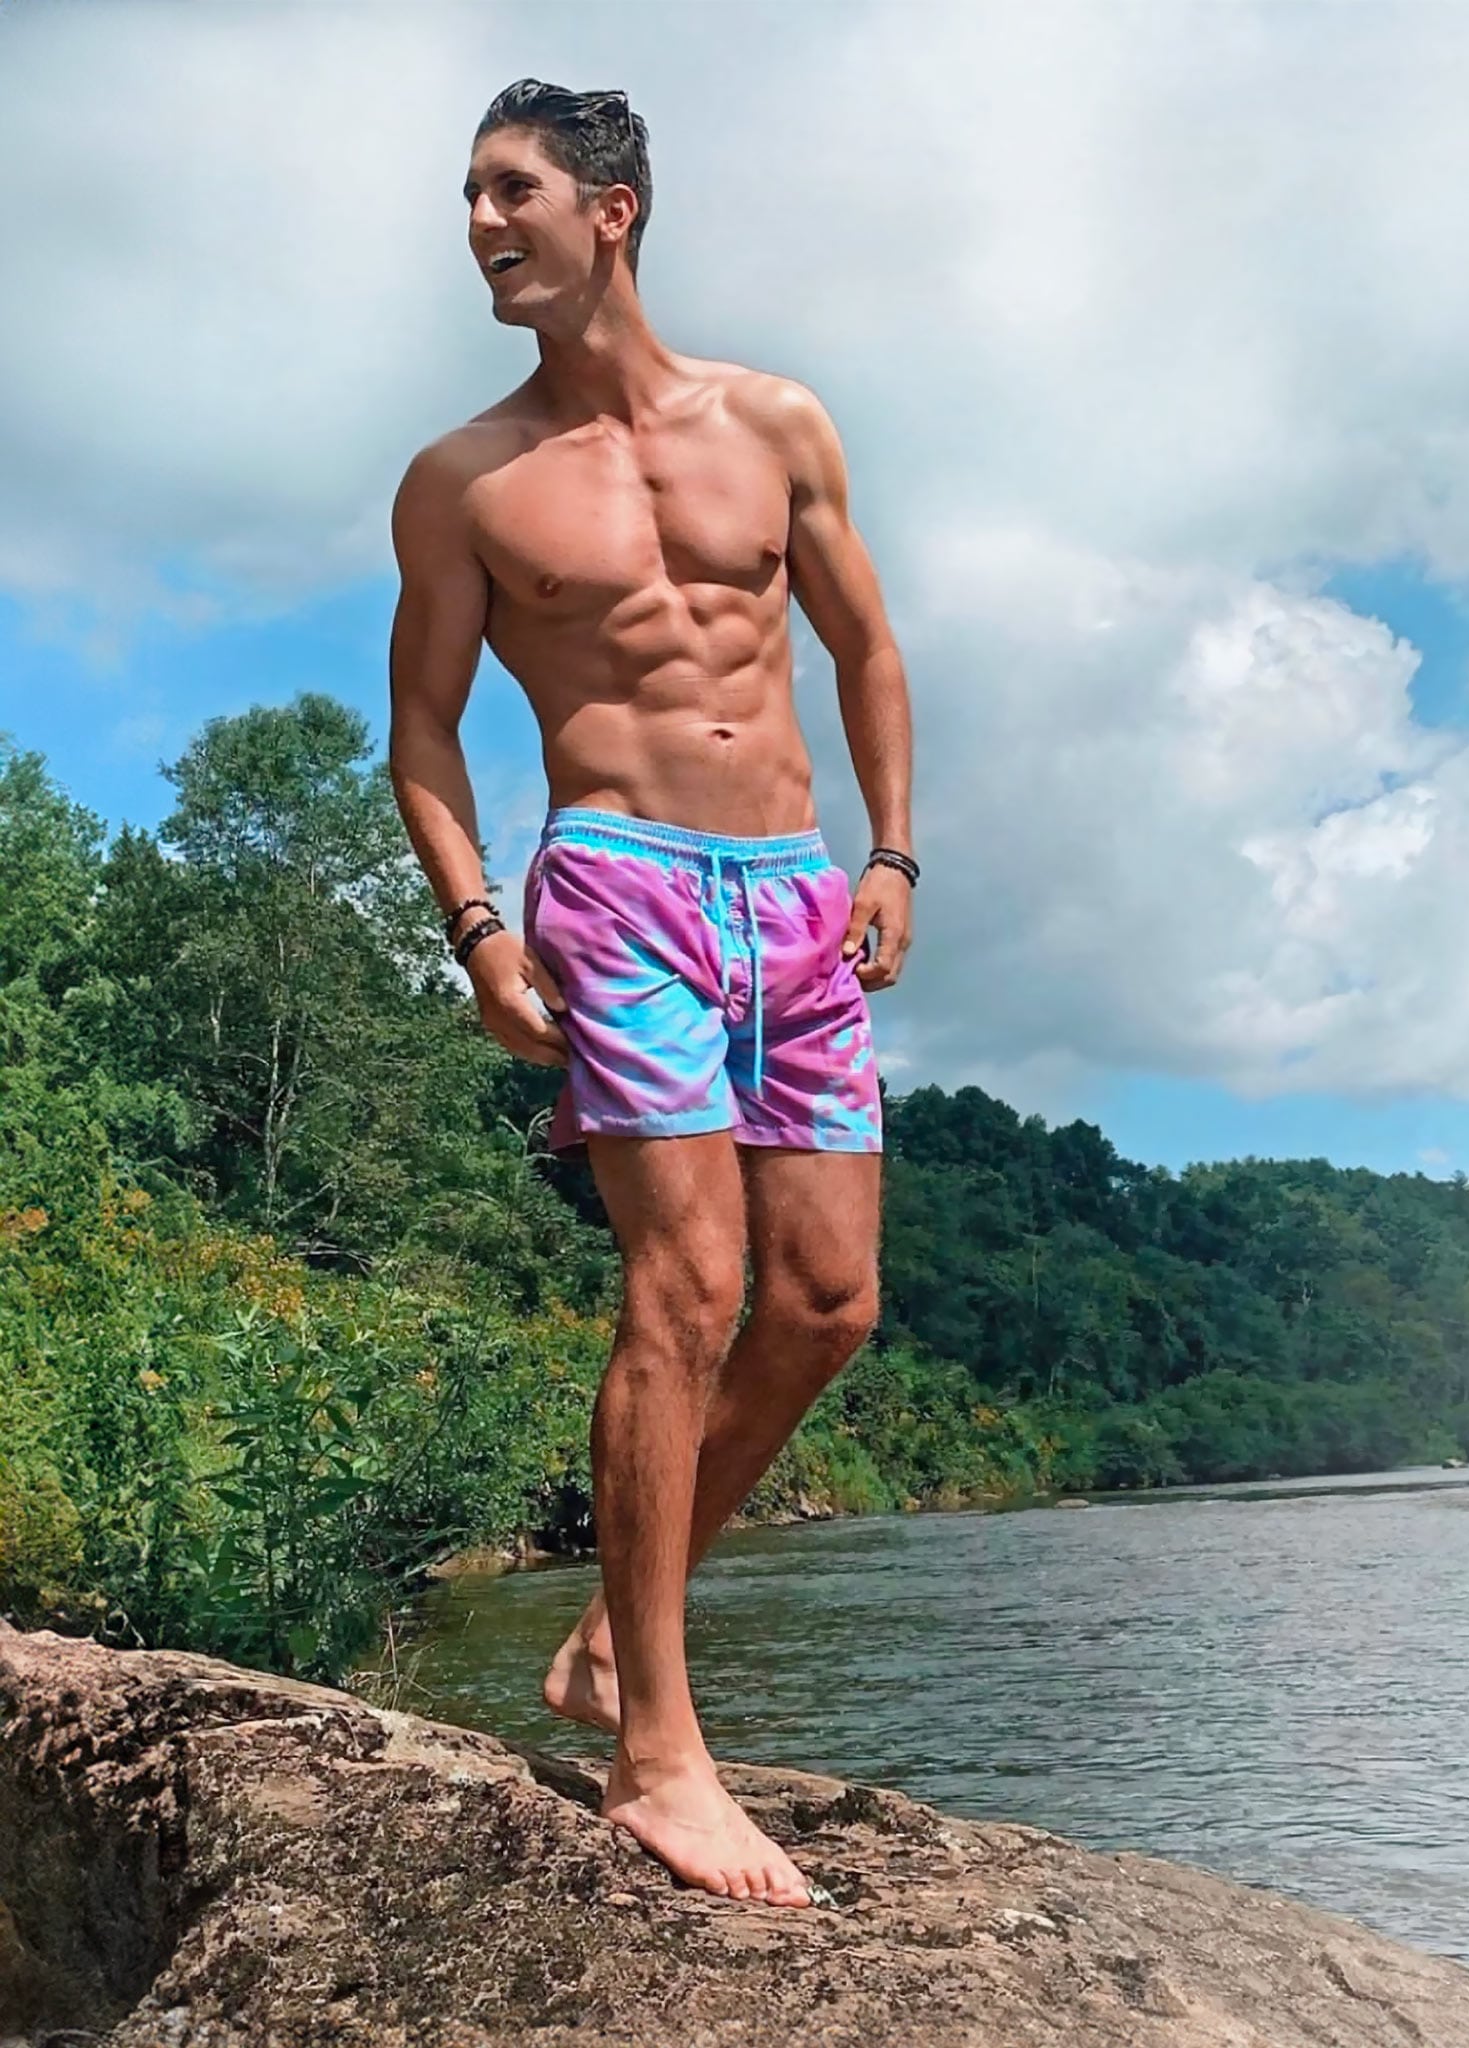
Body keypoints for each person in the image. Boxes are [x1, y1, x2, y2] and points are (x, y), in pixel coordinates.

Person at [387, 79, 915, 1908]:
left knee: (829, 1305)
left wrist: (890, 857)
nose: (477, 224)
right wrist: (478, 933)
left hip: (794, 896)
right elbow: (428, 733)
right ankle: (658, 1761)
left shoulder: (774, 424)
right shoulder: (464, 482)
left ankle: (619, 1635)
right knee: (684, 1287)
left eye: (509, 190)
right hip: (615, 884)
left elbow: (863, 646)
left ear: (612, 210)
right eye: (466, 195)